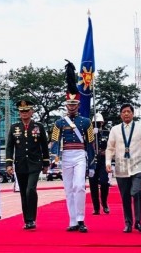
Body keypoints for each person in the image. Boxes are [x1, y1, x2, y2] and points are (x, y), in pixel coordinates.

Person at [50, 89, 96, 233]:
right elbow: (55, 141)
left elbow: (90, 144)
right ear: (66, 105)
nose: (71, 107)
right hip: (66, 156)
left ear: (78, 105)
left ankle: (81, 219)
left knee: (79, 186)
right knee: (69, 189)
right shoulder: (59, 123)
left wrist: (92, 164)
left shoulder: (86, 122)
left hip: (80, 155)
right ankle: (73, 220)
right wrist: (55, 158)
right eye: (69, 104)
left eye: (74, 104)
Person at [105, 103, 141, 233]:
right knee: (125, 196)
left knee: (136, 191)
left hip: (138, 165)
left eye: (129, 111)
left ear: (133, 114)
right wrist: (108, 162)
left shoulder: (140, 128)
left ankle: (138, 221)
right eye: (124, 112)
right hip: (121, 167)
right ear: (121, 114)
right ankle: (128, 223)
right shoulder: (114, 129)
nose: (126, 114)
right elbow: (110, 148)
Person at [5, 100, 50, 230]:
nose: (24, 113)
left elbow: (44, 146)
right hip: (20, 164)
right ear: (19, 113)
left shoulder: (38, 126)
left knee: (31, 189)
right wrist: (9, 164)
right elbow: (9, 147)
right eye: (21, 111)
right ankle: (28, 220)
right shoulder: (14, 127)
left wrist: (46, 162)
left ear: (31, 112)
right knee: (23, 193)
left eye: (26, 111)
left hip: (35, 163)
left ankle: (32, 218)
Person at [89, 113, 110, 215]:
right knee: (93, 185)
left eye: (98, 123)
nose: (96, 124)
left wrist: (107, 152)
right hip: (92, 161)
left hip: (103, 161)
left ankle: (104, 203)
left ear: (102, 123)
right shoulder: (89, 133)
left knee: (104, 182)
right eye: (94, 123)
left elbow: (112, 146)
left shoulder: (107, 133)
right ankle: (96, 207)